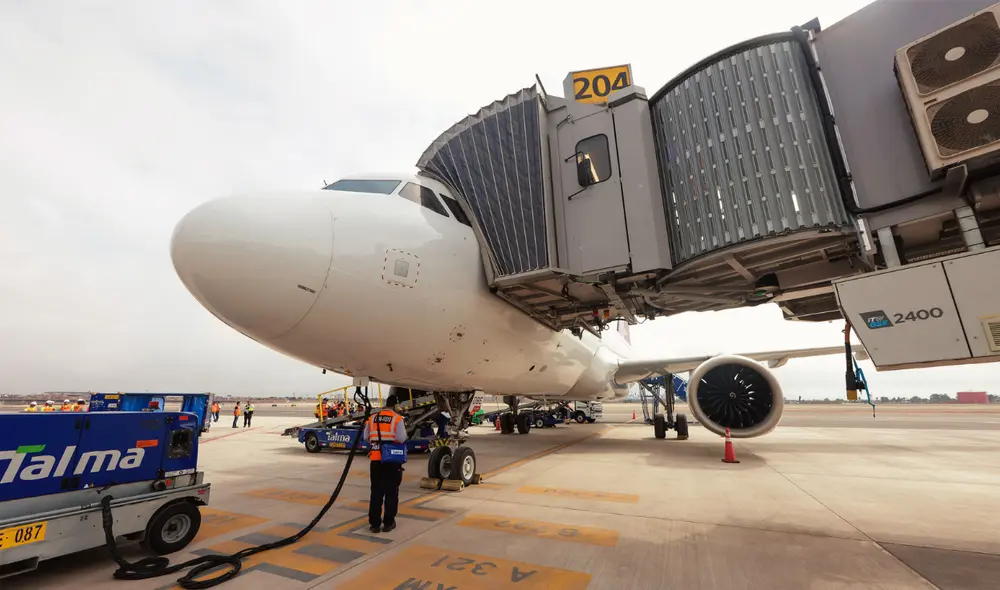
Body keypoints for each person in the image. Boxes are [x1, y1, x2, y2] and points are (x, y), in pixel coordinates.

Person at [362, 393, 407, 534]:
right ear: (396, 406)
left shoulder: (372, 418)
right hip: (391, 461)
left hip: (375, 460)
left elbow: (365, 437)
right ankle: (388, 523)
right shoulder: (397, 419)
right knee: (391, 492)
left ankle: (375, 524)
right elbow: (401, 438)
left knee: (376, 492)